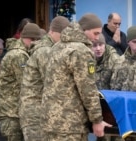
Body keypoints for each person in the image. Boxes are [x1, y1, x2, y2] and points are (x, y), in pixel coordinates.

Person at [38, 13, 112, 141]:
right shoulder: (81, 51)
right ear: (84, 31)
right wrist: (97, 120)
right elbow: (87, 89)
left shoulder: (57, 46)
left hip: (49, 122)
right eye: (95, 33)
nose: (97, 37)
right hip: (70, 125)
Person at [19, 16, 70, 141]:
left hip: (37, 112)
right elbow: (52, 83)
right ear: (52, 31)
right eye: (62, 34)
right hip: (35, 115)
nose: (65, 38)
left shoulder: (48, 48)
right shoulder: (46, 51)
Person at [0, 23, 41, 141]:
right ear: (30, 38)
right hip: (12, 114)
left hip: (14, 112)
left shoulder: (21, 52)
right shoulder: (18, 55)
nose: (36, 43)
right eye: (35, 40)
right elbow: (27, 82)